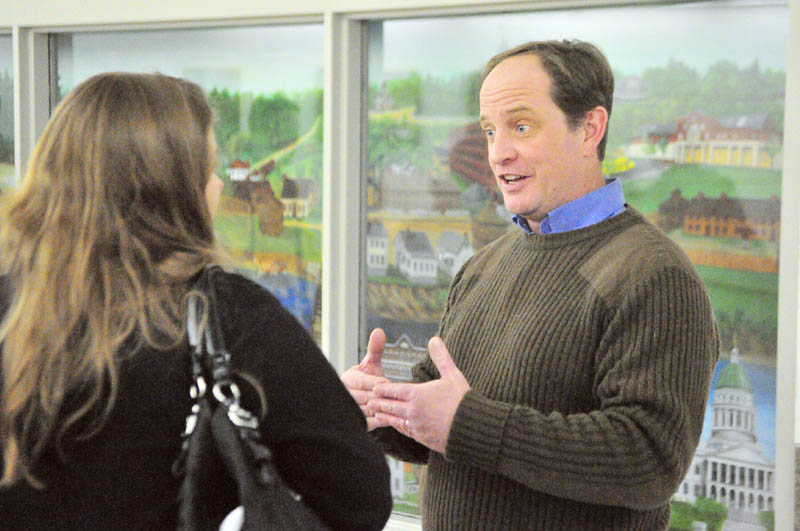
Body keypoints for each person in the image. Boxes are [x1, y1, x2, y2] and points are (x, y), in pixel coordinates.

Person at [343, 40, 719, 530]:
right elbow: (444, 421)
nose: (498, 153)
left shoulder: (655, 276)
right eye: (489, 130)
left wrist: (468, 424)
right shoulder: (483, 266)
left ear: (590, 128)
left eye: (521, 126)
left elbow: (648, 459)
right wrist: (381, 408)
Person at [0, 72, 392, 531]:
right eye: (207, 170)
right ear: (169, 188)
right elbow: (361, 498)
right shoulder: (229, 318)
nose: (219, 188)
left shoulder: (11, 308)